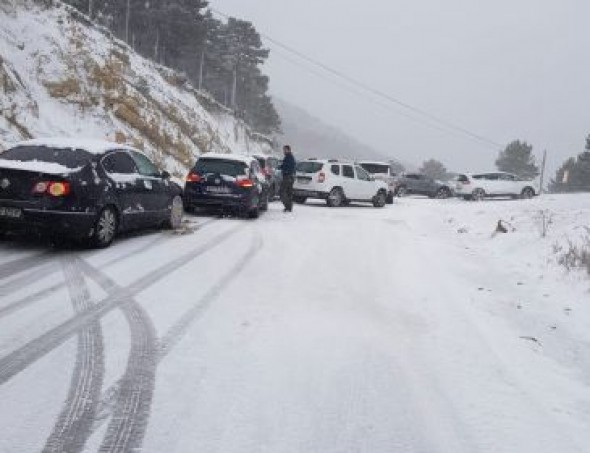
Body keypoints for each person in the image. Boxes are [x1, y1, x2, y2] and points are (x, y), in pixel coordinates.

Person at [279, 145, 296, 212]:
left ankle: (288, 206)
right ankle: (289, 207)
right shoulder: (288, 157)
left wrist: (283, 168)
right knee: (288, 192)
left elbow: (290, 167)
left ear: (288, 150)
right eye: (283, 150)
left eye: (285, 150)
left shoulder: (289, 157)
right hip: (289, 177)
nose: (284, 151)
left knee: (282, 192)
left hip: (288, 177)